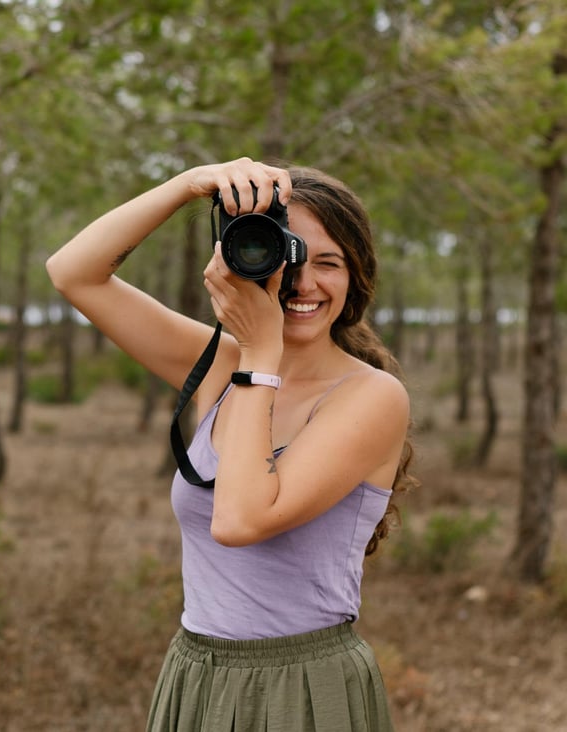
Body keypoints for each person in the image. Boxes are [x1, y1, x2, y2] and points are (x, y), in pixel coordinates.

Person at [46, 157, 413, 731]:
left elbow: (239, 521)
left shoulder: (371, 397)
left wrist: (260, 353)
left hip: (305, 686)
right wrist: (189, 185)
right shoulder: (221, 364)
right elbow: (74, 272)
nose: (305, 283)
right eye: (287, 256)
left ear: (356, 278)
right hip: (198, 671)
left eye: (329, 263)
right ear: (243, 258)